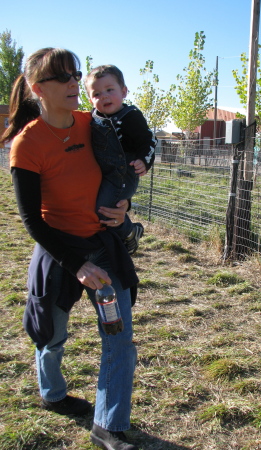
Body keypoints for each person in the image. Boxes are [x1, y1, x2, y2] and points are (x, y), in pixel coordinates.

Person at [1, 47, 139, 450]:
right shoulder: (27, 145)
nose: (74, 84)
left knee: (119, 338)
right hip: (59, 253)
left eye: (75, 75)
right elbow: (32, 221)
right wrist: (75, 264)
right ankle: (53, 393)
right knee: (51, 336)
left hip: (103, 248)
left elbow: (123, 171)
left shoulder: (94, 124)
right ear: (36, 88)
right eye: (62, 77)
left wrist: (124, 204)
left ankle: (108, 425)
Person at [85, 65, 157, 255]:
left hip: (123, 177)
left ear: (124, 92)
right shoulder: (92, 119)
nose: (104, 96)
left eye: (110, 90)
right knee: (97, 209)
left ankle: (129, 232)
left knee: (103, 211)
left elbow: (149, 140)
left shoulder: (131, 117)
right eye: (97, 93)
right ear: (90, 99)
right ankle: (117, 239)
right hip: (104, 175)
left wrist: (144, 160)